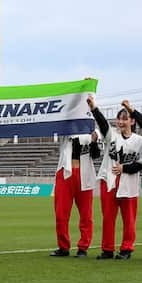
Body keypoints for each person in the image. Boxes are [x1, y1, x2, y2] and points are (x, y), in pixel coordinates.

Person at [91, 99, 142, 260]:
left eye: (125, 119)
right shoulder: (112, 136)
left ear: (132, 121)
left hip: (128, 183)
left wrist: (125, 168)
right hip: (108, 181)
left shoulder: (140, 141)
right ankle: (107, 249)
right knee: (108, 217)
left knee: (129, 218)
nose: (121, 122)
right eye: (119, 119)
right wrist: (93, 107)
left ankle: (127, 248)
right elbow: (102, 124)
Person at [51, 97, 101, 257]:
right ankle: (63, 247)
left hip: (84, 174)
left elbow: (96, 155)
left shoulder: (92, 129)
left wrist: (93, 142)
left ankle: (83, 247)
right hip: (65, 173)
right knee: (61, 214)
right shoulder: (65, 126)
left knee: (86, 214)